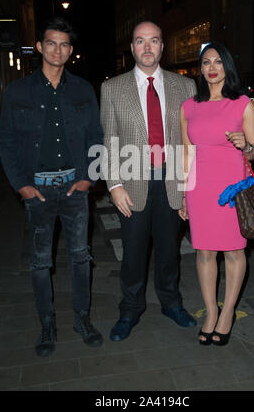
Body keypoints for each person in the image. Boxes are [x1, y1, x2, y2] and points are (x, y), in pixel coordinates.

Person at [0, 17, 104, 356]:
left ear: (70, 51)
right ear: (41, 47)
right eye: (51, 43)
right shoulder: (17, 91)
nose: (57, 49)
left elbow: (95, 137)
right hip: (38, 192)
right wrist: (21, 186)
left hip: (75, 189)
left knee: (80, 257)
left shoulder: (83, 89)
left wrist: (89, 177)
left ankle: (82, 319)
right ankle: (47, 325)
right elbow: (8, 142)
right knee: (40, 262)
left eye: (64, 44)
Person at [100, 21, 197, 341]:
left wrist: (189, 189)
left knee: (170, 251)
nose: (147, 47)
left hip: (172, 183)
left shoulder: (185, 87)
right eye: (140, 41)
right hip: (133, 185)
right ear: (131, 48)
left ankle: (170, 302)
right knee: (133, 253)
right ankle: (130, 308)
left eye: (153, 41)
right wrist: (114, 186)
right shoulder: (112, 88)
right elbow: (109, 140)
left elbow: (190, 143)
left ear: (162, 47)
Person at [179, 41, 254, 346]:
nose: (211, 68)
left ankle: (227, 314)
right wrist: (183, 194)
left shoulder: (243, 104)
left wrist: (245, 145)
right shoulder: (189, 106)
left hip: (232, 188)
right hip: (199, 188)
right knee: (204, 252)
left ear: (227, 65)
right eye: (205, 63)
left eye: (217, 62)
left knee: (234, 251)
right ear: (200, 69)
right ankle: (211, 312)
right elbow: (185, 154)